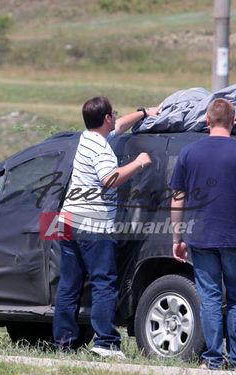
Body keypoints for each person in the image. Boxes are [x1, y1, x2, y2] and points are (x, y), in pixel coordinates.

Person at [169, 98, 236, 370]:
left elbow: (177, 198)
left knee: (211, 297)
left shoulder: (189, 153)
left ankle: (213, 359)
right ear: (233, 120)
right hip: (234, 237)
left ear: (206, 120)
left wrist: (177, 239)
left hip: (200, 237)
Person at [52, 96, 157, 358]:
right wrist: (139, 162)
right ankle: (106, 343)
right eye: (113, 114)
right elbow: (110, 179)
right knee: (103, 283)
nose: (115, 117)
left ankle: (63, 342)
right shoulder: (100, 149)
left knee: (69, 285)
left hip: (68, 221)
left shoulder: (86, 139)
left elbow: (120, 125)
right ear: (105, 118)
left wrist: (145, 113)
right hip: (93, 225)